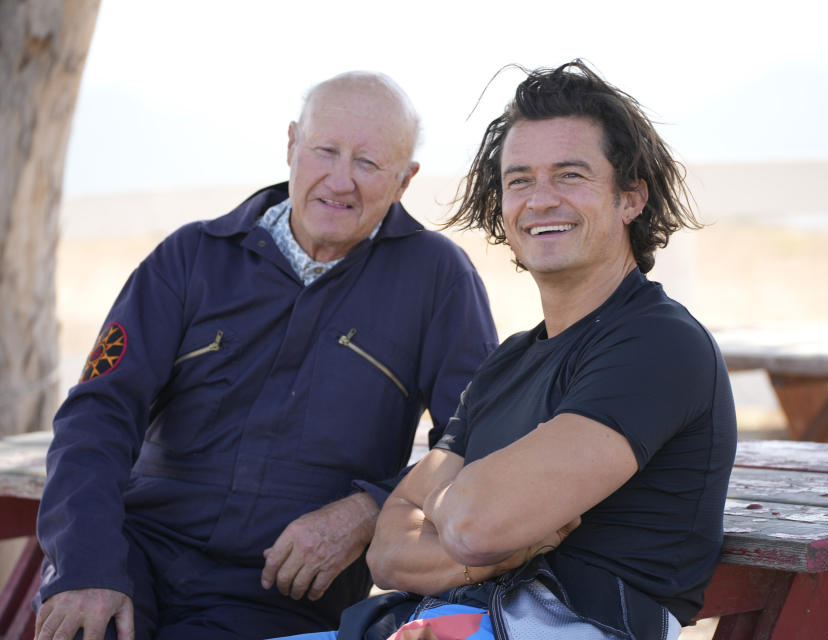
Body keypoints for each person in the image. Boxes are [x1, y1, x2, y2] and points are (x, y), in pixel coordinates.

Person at [275, 60, 737, 640]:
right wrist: (498, 538)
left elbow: (472, 523)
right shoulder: (508, 363)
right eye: (519, 180)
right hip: (448, 621)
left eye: (569, 175)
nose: (539, 200)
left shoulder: (659, 344)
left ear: (631, 198)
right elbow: (389, 552)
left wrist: (449, 505)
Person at [33, 72, 498, 640]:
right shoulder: (190, 257)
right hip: (136, 556)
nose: (341, 179)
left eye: (369, 163)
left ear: (405, 181)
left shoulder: (439, 279)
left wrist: (370, 509)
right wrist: (85, 567)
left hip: (282, 592)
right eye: (326, 151)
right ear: (291, 146)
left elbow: (477, 437)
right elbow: (97, 416)